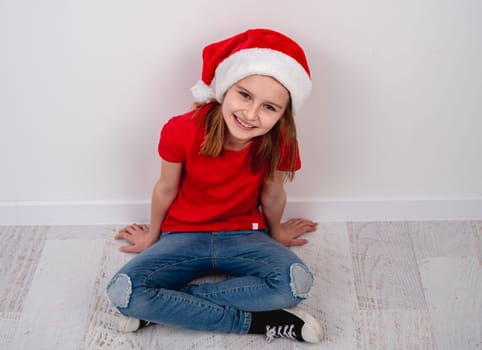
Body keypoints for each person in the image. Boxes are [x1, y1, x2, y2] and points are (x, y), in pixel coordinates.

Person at [106, 28, 324, 344]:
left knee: (296, 284)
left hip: (244, 235)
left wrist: (276, 231)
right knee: (123, 291)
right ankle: (258, 324)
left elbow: (273, 192)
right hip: (183, 234)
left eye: (269, 107)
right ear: (224, 89)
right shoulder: (181, 129)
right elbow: (165, 187)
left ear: (282, 114)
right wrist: (152, 235)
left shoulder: (282, 142)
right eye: (245, 95)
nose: (250, 114)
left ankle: (167, 305)